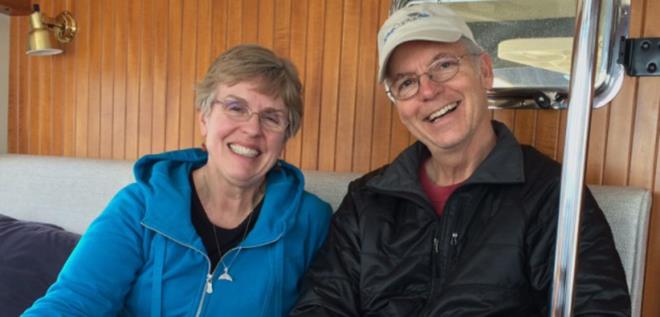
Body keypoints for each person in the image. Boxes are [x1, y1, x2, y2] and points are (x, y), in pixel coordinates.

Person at [290, 3, 630, 316]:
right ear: (398, 104)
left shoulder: (550, 194)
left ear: (483, 71)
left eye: (444, 65)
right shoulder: (367, 200)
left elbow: (596, 308)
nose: (428, 90)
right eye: (407, 82)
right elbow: (322, 304)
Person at [24, 44, 332, 316]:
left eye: (271, 117)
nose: (252, 129)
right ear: (204, 118)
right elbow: (72, 304)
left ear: (285, 137)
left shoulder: (310, 221)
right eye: (236, 108)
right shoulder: (140, 207)